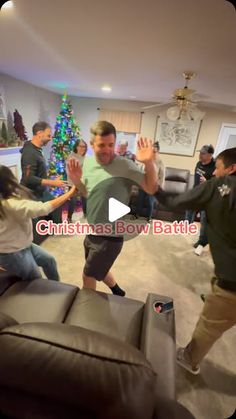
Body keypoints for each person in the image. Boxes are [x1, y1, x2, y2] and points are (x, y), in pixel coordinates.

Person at [155, 147, 236, 374]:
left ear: (231, 169)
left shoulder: (220, 186)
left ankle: (188, 359)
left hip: (232, 285)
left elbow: (173, 201)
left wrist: (153, 186)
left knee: (208, 327)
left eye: (218, 169)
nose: (215, 173)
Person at [67, 120, 157, 296]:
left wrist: (148, 164)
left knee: (88, 276)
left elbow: (150, 188)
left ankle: (84, 312)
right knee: (98, 269)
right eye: (102, 145)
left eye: (111, 144)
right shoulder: (88, 163)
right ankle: (118, 291)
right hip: (93, 229)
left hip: (110, 236)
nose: (108, 149)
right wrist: (77, 181)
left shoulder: (125, 165)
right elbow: (88, 193)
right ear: (92, 145)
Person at [0, 165, 77, 281]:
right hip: (12, 253)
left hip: (25, 244)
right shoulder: (9, 205)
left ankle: (57, 287)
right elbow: (44, 208)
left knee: (49, 261)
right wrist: (70, 192)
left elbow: (26, 184)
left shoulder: (10, 196)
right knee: (36, 279)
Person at [20, 121, 66, 224]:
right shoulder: (29, 152)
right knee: (34, 221)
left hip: (40, 192)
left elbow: (38, 173)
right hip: (31, 194)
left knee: (56, 206)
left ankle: (55, 230)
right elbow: (28, 178)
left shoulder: (36, 150)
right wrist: (52, 183)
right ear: (40, 133)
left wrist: (52, 180)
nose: (50, 138)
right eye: (48, 135)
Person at [185, 144, 215, 256]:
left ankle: (201, 242)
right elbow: (196, 180)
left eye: (203, 153)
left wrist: (207, 182)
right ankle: (187, 225)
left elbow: (217, 185)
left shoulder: (215, 167)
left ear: (210, 155)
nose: (200, 155)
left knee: (204, 220)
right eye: (200, 153)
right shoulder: (198, 163)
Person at [136, 141, 165, 221]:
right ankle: (137, 214)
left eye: (155, 151)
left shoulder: (160, 161)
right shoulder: (147, 158)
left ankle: (149, 217)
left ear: (158, 151)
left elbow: (162, 175)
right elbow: (140, 169)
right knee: (140, 200)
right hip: (143, 184)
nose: (153, 152)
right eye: (152, 151)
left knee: (150, 201)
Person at [66, 139, 87, 222]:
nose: (83, 148)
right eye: (81, 146)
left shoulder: (86, 157)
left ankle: (86, 214)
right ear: (76, 147)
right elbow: (68, 171)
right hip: (73, 183)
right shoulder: (71, 156)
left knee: (85, 199)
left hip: (83, 183)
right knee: (72, 201)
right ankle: (69, 218)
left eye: (84, 146)